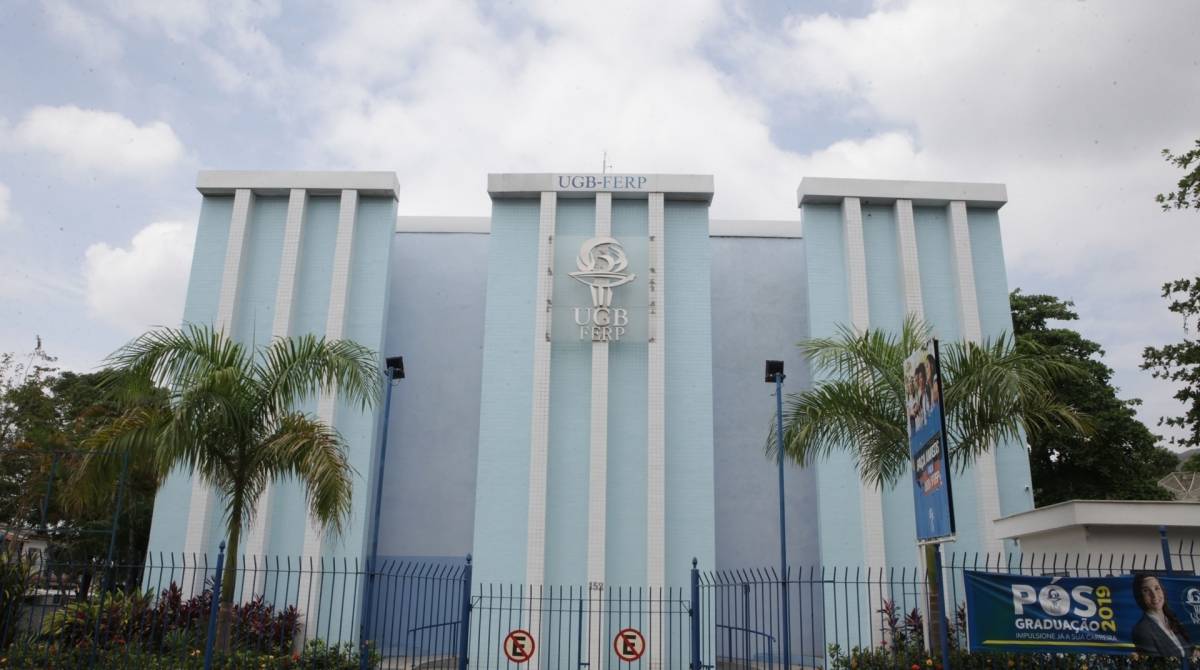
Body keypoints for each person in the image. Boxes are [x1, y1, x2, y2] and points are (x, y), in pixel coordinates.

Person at [1132, 574, 1193, 658]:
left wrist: (1194, 653)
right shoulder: (1142, 630)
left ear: (1163, 590)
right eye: (1146, 591)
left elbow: (1187, 651)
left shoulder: (1172, 619)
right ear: (1140, 596)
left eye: (1157, 588)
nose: (1154, 595)